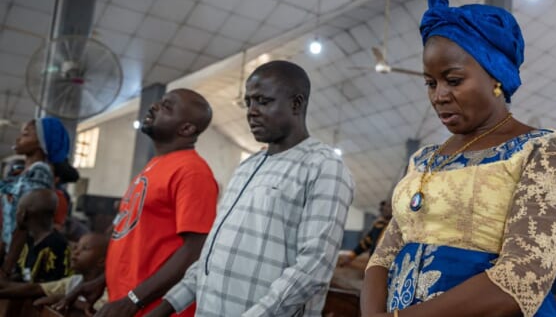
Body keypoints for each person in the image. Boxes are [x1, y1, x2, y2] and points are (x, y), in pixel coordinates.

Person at [361, 0, 556, 317]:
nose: (438, 96)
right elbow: (383, 256)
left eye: (453, 80)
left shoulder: (546, 151)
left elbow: (521, 278)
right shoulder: (425, 159)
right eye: (430, 83)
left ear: (496, 77)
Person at [146, 61, 355, 317]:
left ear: (296, 104)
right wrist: (166, 306)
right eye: (249, 103)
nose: (251, 112)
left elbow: (313, 269)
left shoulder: (323, 166)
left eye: (263, 101)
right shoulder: (248, 167)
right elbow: (213, 255)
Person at [56, 89, 219, 317]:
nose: (154, 106)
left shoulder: (192, 172)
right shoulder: (157, 165)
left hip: (152, 309)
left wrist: (134, 300)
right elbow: (136, 238)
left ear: (186, 129)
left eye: (167, 106)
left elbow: (195, 250)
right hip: (127, 302)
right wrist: (103, 281)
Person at [0, 117, 67, 273]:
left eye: (25, 134)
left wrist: (7, 268)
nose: (18, 138)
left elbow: (25, 221)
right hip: (10, 250)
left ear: (42, 143)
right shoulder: (19, 171)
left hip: (21, 255)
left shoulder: (40, 172)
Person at [0, 232, 108, 311]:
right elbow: (35, 288)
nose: (75, 253)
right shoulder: (74, 281)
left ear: (102, 261)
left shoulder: (107, 293)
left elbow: (97, 311)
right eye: (76, 247)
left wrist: (65, 299)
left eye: (85, 249)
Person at [15, 188, 69, 283]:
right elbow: (19, 275)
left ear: (24, 214)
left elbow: (48, 287)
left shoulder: (57, 245)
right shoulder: (28, 240)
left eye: (18, 209)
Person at [339, 199, 393, 266]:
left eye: (389, 206)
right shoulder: (378, 226)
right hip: (375, 263)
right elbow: (365, 243)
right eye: (384, 206)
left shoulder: (397, 228)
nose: (384, 208)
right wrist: (351, 256)